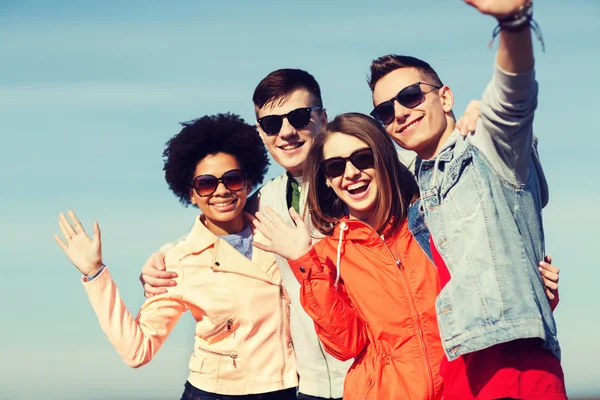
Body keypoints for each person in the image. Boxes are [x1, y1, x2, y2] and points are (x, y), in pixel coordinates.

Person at [367, 0, 566, 398]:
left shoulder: (490, 150)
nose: (400, 113)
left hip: (514, 364)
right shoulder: (412, 187)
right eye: (385, 112)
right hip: (455, 370)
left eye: (410, 96)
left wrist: (512, 21)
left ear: (445, 97)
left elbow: (514, 97)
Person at [54, 114, 298, 400]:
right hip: (217, 393)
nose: (221, 190)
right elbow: (137, 350)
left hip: (291, 388)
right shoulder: (179, 261)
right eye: (206, 184)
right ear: (191, 194)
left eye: (232, 179)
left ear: (248, 182)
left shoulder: (280, 230)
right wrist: (96, 274)